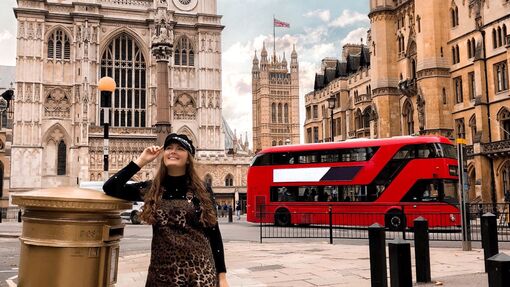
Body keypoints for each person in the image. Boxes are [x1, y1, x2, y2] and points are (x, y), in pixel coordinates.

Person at [103, 133, 229, 287]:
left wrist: (222, 277)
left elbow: (214, 233)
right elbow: (110, 187)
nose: (173, 151)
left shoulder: (202, 190)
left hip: (199, 274)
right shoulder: (153, 188)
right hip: (162, 274)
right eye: (169, 148)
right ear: (163, 156)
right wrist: (141, 161)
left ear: (188, 158)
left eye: (180, 148)